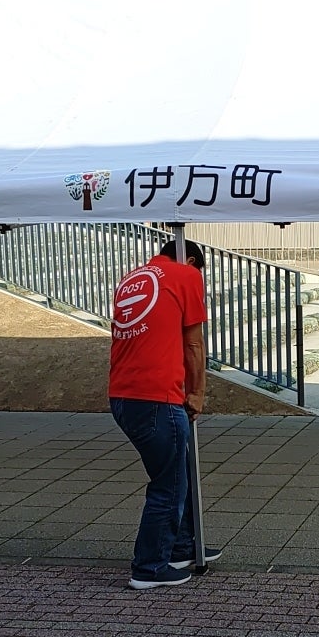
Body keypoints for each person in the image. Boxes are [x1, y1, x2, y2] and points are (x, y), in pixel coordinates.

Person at [108, 238, 219, 590]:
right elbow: (194, 343)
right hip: (157, 396)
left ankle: (181, 547)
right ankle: (149, 566)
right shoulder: (186, 275)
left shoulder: (133, 277)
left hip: (124, 394)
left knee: (178, 472)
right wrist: (197, 392)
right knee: (169, 484)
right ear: (191, 260)